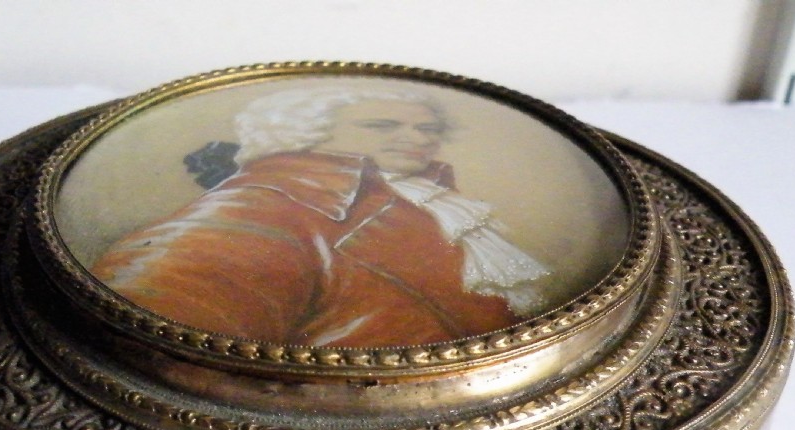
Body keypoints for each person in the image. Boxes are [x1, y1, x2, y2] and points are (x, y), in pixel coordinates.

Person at [91, 87, 551, 348]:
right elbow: (162, 335)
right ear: (306, 134)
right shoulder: (257, 208)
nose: (420, 139)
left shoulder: (420, 198)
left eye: (427, 128)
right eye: (383, 126)